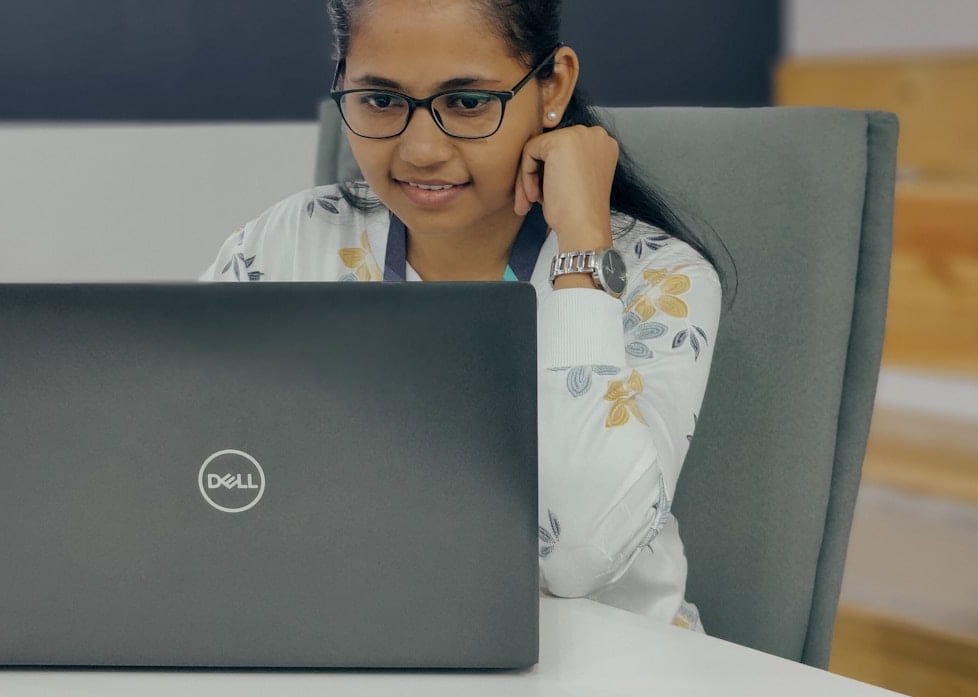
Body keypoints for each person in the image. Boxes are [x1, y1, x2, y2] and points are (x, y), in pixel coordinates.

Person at [201, 0, 724, 632]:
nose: (421, 150)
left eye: (469, 103)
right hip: (363, 644)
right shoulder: (287, 244)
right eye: (380, 100)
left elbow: (580, 559)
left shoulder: (658, 278)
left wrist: (584, 250)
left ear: (552, 86)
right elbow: (192, 467)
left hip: (608, 673)